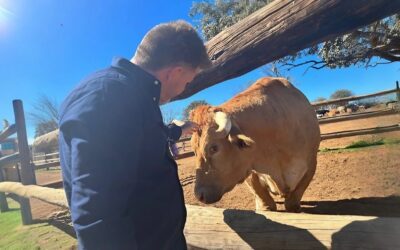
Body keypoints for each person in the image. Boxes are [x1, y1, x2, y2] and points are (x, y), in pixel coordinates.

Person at [58, 20, 210, 249]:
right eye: (187, 82)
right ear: (175, 72)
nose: (183, 90)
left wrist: (178, 130)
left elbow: (140, 142)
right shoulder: (109, 97)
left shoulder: (128, 95)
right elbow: (97, 216)